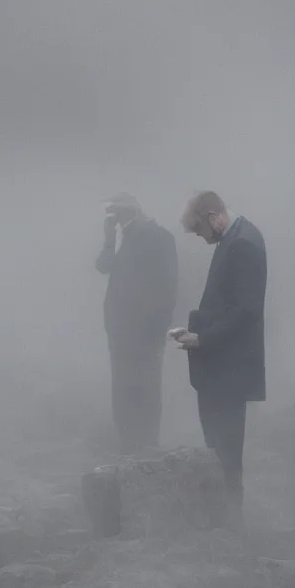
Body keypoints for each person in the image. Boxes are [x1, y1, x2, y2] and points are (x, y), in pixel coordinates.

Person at [172, 191, 266, 517]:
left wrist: (203, 339)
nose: (202, 239)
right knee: (219, 445)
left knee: (225, 448)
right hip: (223, 367)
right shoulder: (236, 238)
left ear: (214, 217)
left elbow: (246, 310)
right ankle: (225, 516)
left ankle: (230, 519)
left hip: (229, 369)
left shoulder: (242, 244)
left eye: (200, 231)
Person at [95, 192, 178, 455]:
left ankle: (145, 443)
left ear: (130, 210)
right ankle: (129, 442)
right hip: (122, 328)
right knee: (124, 385)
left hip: (143, 328)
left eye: (115, 211)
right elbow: (102, 265)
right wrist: (108, 239)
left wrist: (157, 328)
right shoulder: (126, 237)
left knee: (144, 385)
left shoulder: (157, 237)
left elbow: (167, 286)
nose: (112, 216)